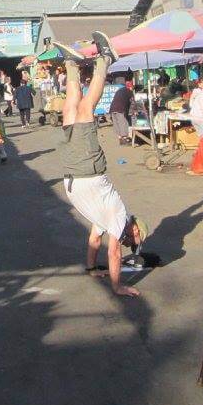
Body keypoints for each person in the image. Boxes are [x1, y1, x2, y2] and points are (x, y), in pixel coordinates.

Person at [55, 32, 149, 297]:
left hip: (74, 174)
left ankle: (72, 65)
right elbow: (114, 252)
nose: (131, 243)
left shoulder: (106, 222)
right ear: (135, 228)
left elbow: (95, 240)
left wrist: (92, 268)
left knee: (69, 112)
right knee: (86, 110)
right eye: (136, 239)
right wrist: (118, 287)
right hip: (87, 169)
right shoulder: (119, 218)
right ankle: (106, 59)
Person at [109, 78, 135, 145]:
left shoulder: (119, 90)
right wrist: (133, 111)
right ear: (131, 87)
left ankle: (120, 138)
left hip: (112, 109)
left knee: (116, 124)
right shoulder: (129, 91)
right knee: (123, 123)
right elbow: (132, 103)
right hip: (120, 109)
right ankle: (125, 139)